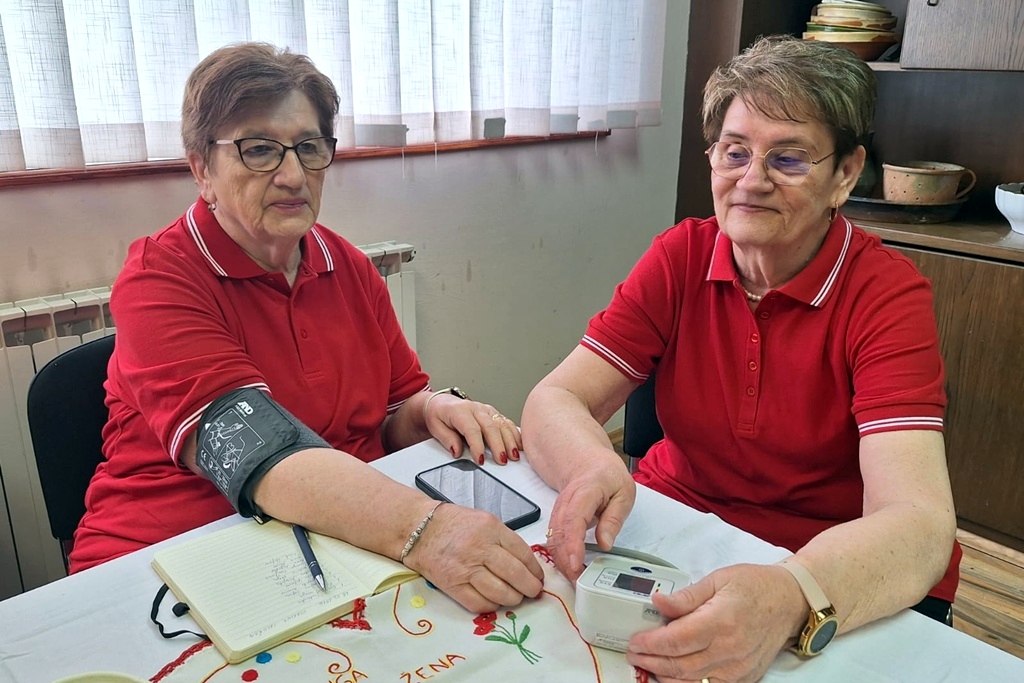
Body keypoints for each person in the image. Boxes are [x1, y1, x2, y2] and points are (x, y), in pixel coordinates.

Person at [522, 35, 960, 683]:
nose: (751, 181)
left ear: (845, 173)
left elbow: (919, 523)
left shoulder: (885, 295)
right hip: (679, 526)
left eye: (789, 158)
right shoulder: (680, 256)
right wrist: (591, 464)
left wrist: (791, 593)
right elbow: (555, 399)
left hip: (826, 562)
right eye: (735, 152)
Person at [70, 42, 543, 614]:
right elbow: (255, 452)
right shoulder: (159, 279)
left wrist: (431, 409)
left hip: (322, 547)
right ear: (201, 169)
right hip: (168, 556)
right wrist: (428, 532)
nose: (293, 175)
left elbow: (391, 414)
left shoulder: (349, 266)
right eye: (259, 150)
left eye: (309, 147)